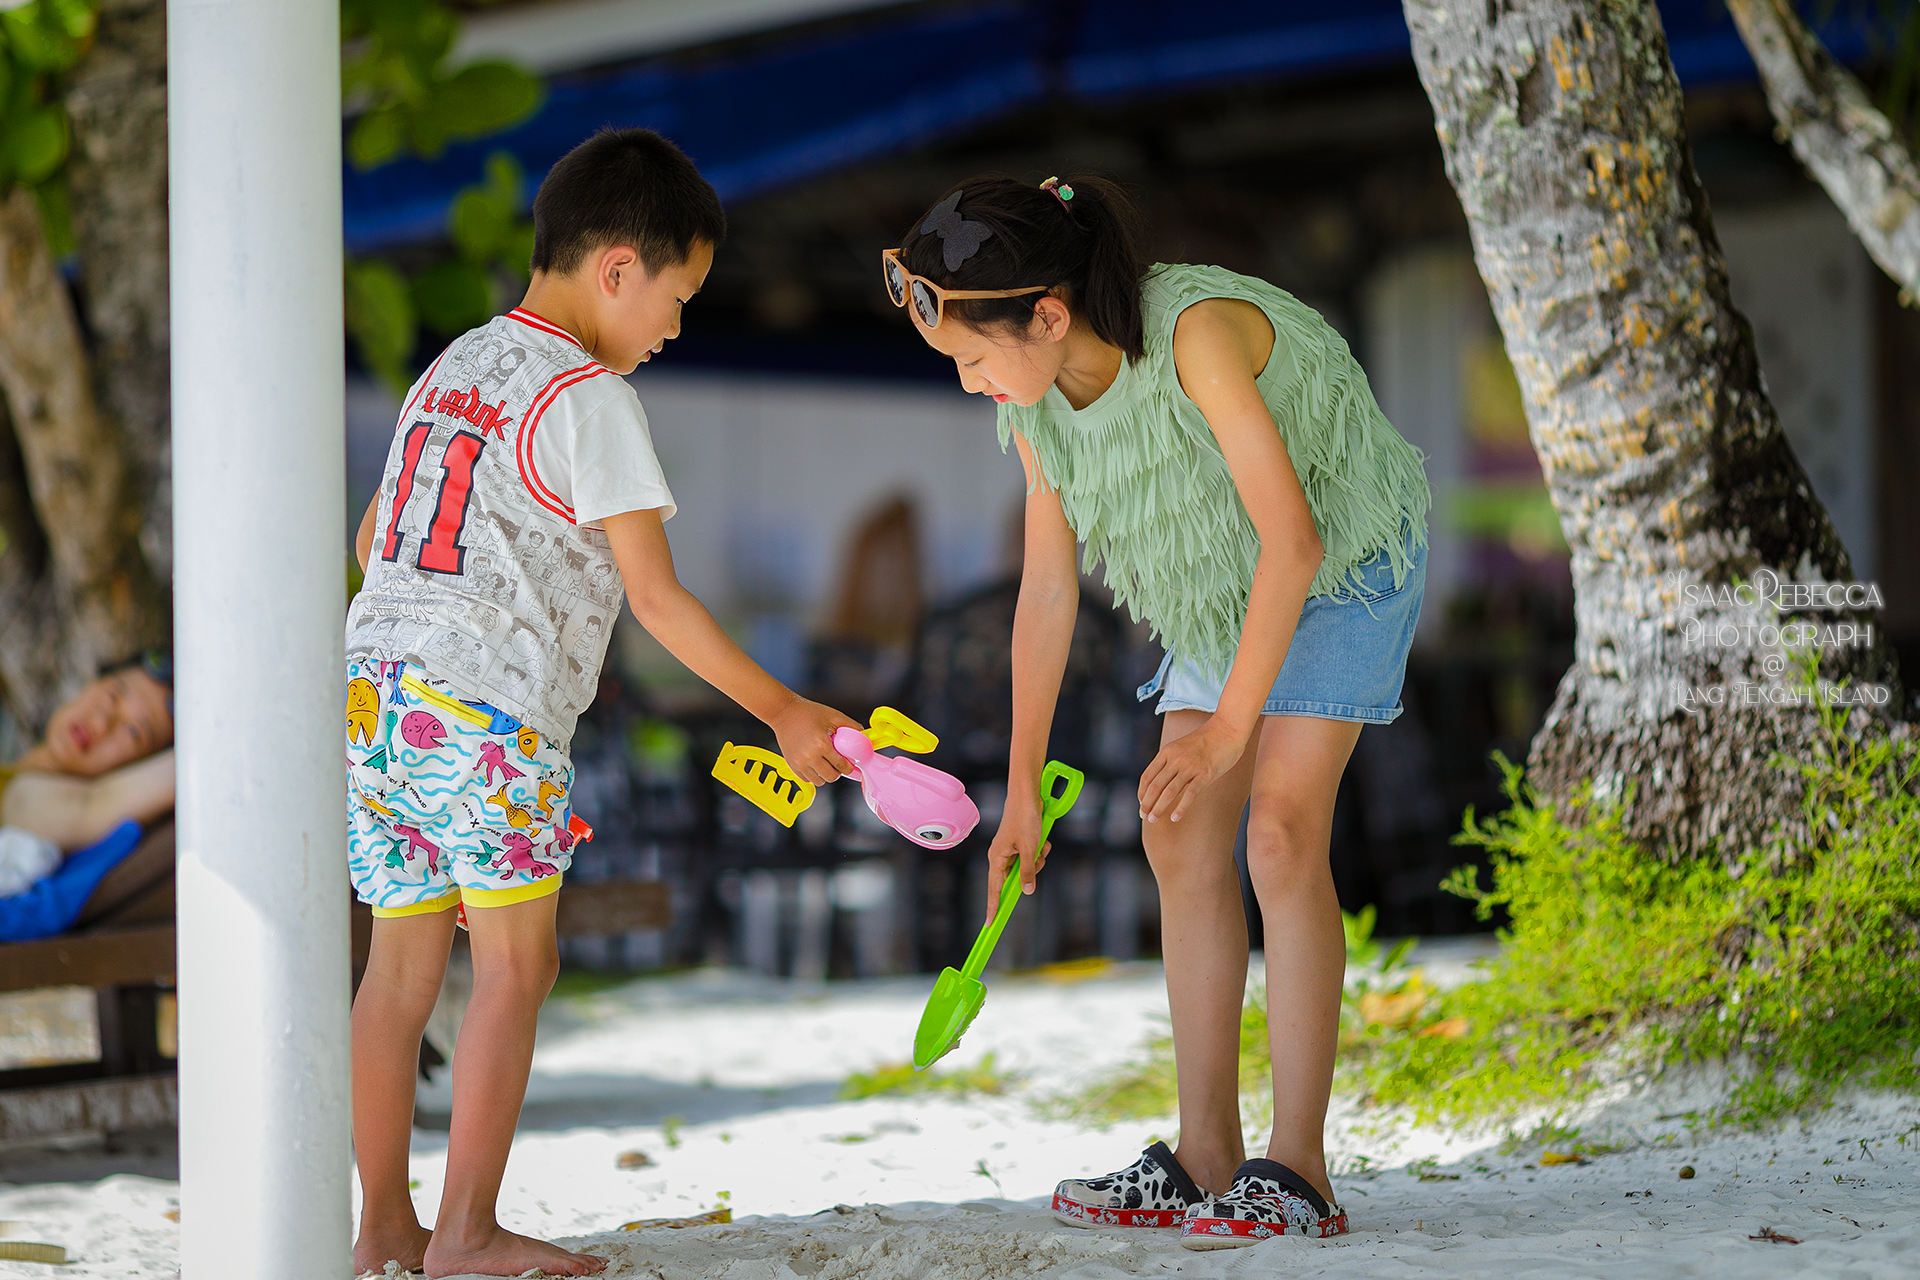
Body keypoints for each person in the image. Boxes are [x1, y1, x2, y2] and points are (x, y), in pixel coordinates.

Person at [345, 128, 859, 1279]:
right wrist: (780, 707)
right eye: (676, 298)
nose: (674, 328)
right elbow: (660, 602)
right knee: (518, 967)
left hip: (378, 701)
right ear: (618, 268)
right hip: (489, 712)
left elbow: (377, 534)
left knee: (397, 972)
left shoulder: (454, 367)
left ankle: (384, 1225)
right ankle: (467, 1231)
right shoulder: (592, 399)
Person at [882, 175, 1429, 1247]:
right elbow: (1046, 593)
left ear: (1048, 314)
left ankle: (1300, 1166)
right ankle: (1204, 1151)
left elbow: (1297, 543)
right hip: (1222, 582)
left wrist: (1230, 728)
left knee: (1277, 832)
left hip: (1341, 556)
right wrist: (1017, 799)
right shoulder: (1032, 400)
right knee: (1177, 829)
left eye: (977, 357)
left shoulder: (1197, 337)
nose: (972, 384)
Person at [1, 650, 176, 855]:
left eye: (133, 732)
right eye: (113, 694)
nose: (102, 722)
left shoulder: (24, 801)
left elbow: (92, 806)